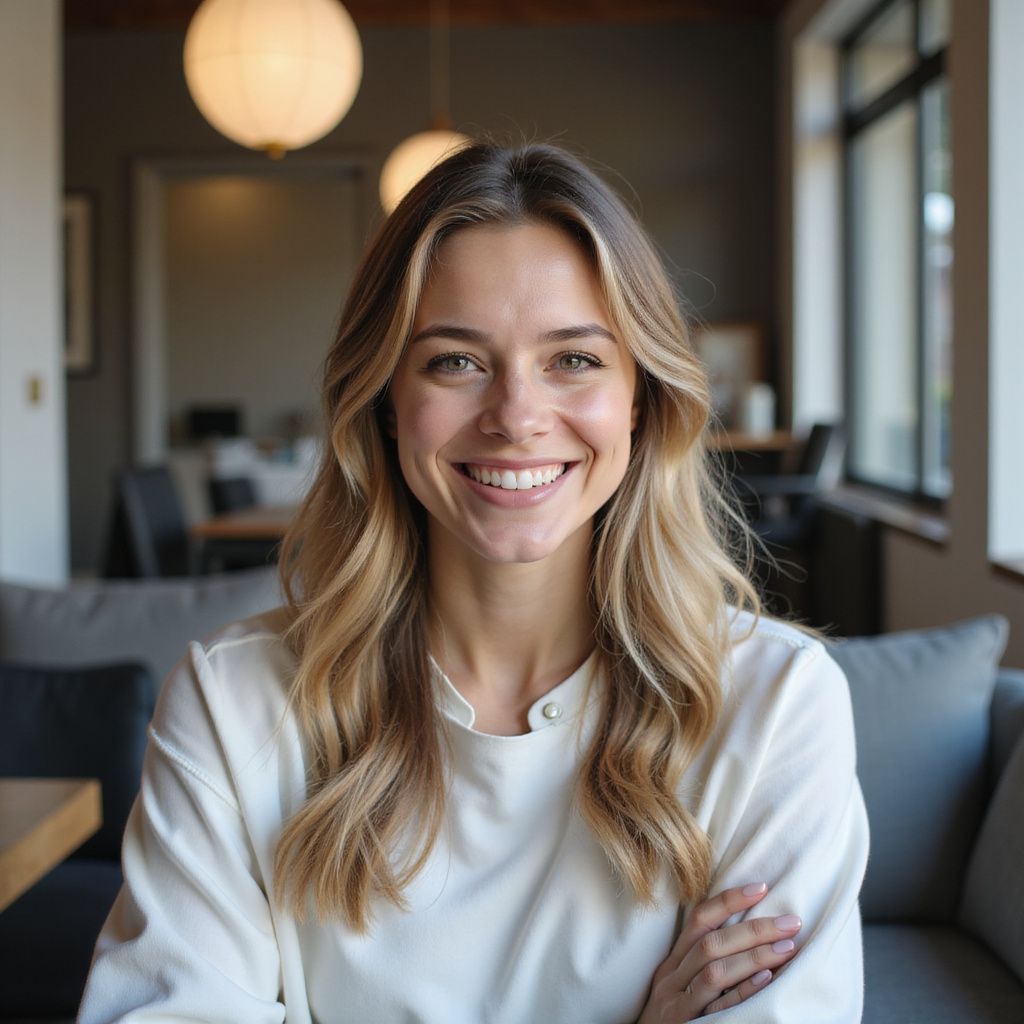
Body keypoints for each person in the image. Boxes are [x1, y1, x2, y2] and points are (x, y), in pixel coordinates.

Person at [78, 143, 868, 1023]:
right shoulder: (232, 705)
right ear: (382, 398)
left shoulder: (777, 706)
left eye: (574, 359)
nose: (517, 418)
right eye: (456, 361)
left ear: (640, 398)